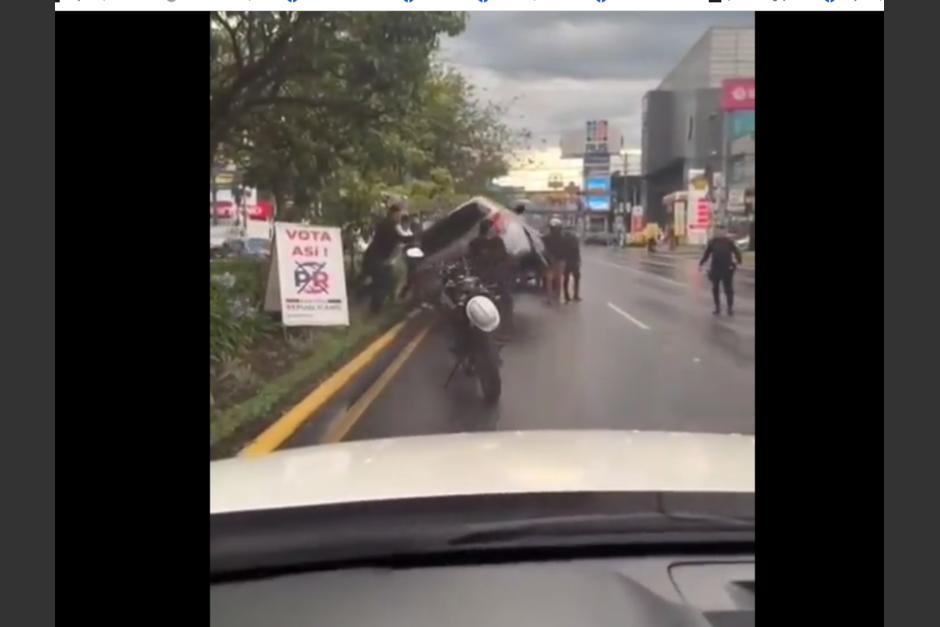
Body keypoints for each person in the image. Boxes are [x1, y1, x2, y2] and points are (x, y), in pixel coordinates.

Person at [467, 218, 513, 324]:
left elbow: (503, 256)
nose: (494, 230)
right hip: (483, 276)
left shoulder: (497, 241)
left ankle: (507, 324)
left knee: (506, 298)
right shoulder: (477, 243)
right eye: (492, 228)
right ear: (488, 229)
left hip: (492, 276)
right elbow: (472, 258)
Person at [362, 203, 405, 314]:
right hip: (377, 258)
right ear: (394, 214)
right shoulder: (389, 225)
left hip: (375, 257)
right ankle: (374, 311)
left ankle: (374, 303)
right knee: (383, 283)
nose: (400, 217)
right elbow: (396, 239)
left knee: (387, 280)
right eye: (399, 214)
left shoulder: (389, 224)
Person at [699, 226, 743, 316]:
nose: (719, 233)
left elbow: (736, 252)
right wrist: (701, 263)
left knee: (728, 289)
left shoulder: (728, 242)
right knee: (716, 289)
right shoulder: (713, 242)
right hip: (717, 268)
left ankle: (729, 308)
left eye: (721, 232)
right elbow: (706, 254)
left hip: (726, 268)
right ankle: (718, 308)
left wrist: (738, 262)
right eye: (718, 232)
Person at [542, 218, 567, 305]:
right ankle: (556, 297)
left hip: (551, 260)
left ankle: (550, 298)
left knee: (550, 279)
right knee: (558, 279)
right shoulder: (563, 238)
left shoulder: (546, 238)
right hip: (559, 260)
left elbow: (543, 248)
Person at [562, 227, 582, 303]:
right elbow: (577, 250)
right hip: (573, 261)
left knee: (566, 279)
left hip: (566, 261)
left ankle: (566, 295)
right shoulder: (574, 239)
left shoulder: (563, 238)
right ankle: (575, 295)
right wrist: (579, 260)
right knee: (576, 278)